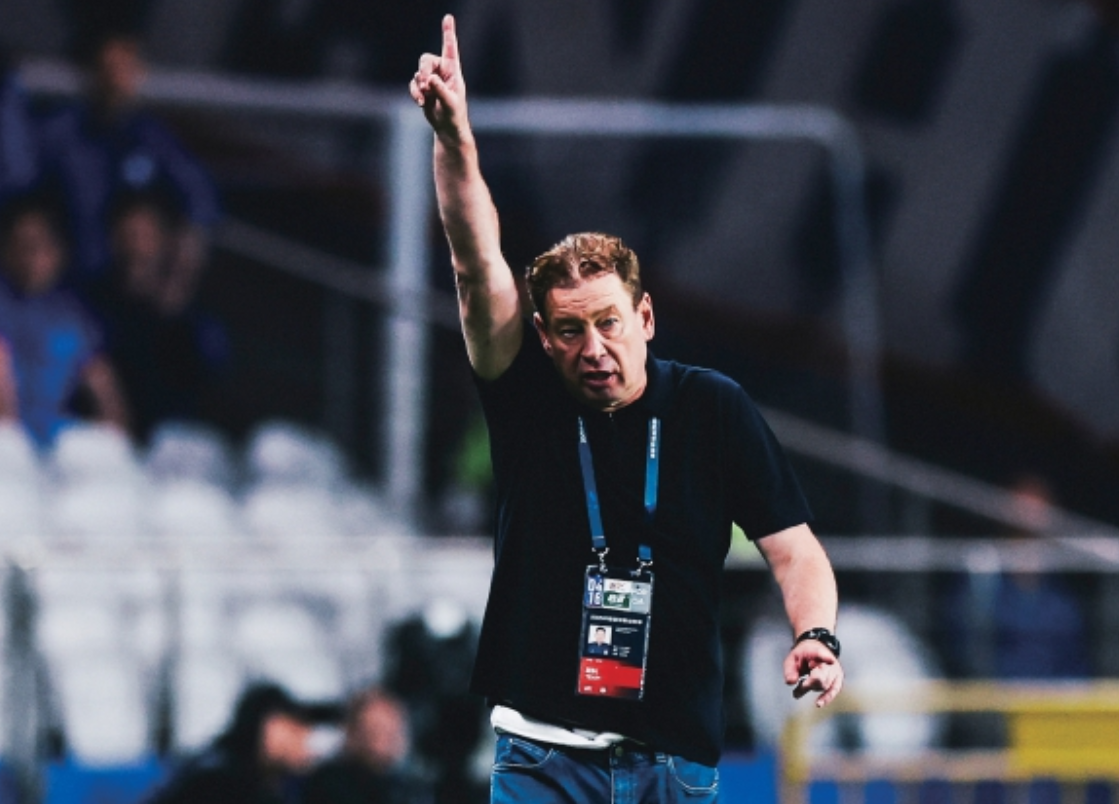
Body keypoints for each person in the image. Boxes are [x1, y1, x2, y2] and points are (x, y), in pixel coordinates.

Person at [409, 16, 844, 804]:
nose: (593, 347)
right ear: (542, 336)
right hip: (542, 755)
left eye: (609, 323)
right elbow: (475, 264)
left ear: (643, 318)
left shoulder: (712, 408)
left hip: (671, 762)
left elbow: (794, 551)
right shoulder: (524, 395)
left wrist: (814, 634)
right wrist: (455, 141)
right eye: (570, 330)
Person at [35, 32, 221, 296]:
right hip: (66, 274)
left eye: (127, 69)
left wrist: (190, 241)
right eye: (110, 69)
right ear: (92, 74)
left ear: (140, 74)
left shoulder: (149, 134)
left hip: (124, 280)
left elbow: (198, 190)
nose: (118, 80)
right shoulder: (63, 132)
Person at [83, 192, 227, 441]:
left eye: (146, 237)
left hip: (173, 435)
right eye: (130, 235)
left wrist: (178, 298)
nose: (137, 248)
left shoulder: (191, 315)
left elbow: (211, 376)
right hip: (108, 433)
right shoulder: (94, 303)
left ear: (165, 243)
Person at [0, 195, 129, 446]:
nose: (32, 257)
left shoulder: (75, 315)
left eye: (40, 246)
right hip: (9, 437)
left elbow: (106, 392)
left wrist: (115, 441)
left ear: (59, 252)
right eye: (22, 245)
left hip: (57, 437)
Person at [146, 682, 317, 804]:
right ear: (267, 727)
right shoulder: (219, 782)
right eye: (295, 730)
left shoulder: (267, 782)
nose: (304, 742)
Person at [303, 686, 433, 804]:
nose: (386, 740)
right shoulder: (331, 783)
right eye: (375, 729)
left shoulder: (407, 787)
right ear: (352, 732)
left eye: (392, 731)